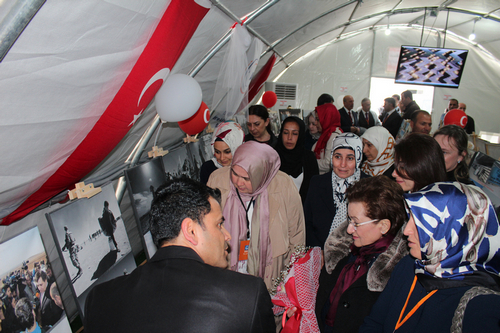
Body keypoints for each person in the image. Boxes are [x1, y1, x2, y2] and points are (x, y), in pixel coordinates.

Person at [85, 177, 276, 333]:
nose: (227, 235)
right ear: (190, 231)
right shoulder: (247, 295)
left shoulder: (99, 299)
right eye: (219, 224)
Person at [360, 182, 500, 332]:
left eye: (421, 222)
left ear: (454, 231)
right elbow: (374, 322)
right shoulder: (409, 265)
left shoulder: (483, 304)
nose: (406, 230)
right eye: (410, 218)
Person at [207, 141, 305, 289]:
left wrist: (290, 278)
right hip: (227, 270)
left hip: (272, 272)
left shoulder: (283, 186)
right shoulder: (217, 180)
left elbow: (297, 235)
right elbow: (206, 228)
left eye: (247, 178)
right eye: (234, 173)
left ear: (262, 174)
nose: (238, 182)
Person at [315, 176, 408, 333]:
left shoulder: (396, 271)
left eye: (356, 223)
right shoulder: (342, 249)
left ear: (384, 226)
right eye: (349, 220)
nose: (349, 230)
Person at [305, 133, 363, 249]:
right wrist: (317, 251)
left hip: (357, 256)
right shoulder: (317, 183)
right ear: (331, 156)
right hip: (322, 254)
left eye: (350, 158)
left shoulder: (369, 186)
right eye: (338, 156)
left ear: (358, 158)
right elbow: (308, 222)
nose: (343, 164)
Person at [274, 116, 319, 203]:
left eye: (294, 134)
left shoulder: (309, 158)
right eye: (286, 133)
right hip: (277, 211)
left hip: (303, 212)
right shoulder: (272, 157)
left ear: (301, 135)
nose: (289, 138)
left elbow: (314, 190)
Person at [312, 103, 343, 174]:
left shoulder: (334, 137)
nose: (316, 123)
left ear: (327, 118)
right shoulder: (327, 134)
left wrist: (308, 161)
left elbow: (328, 164)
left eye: (318, 119)